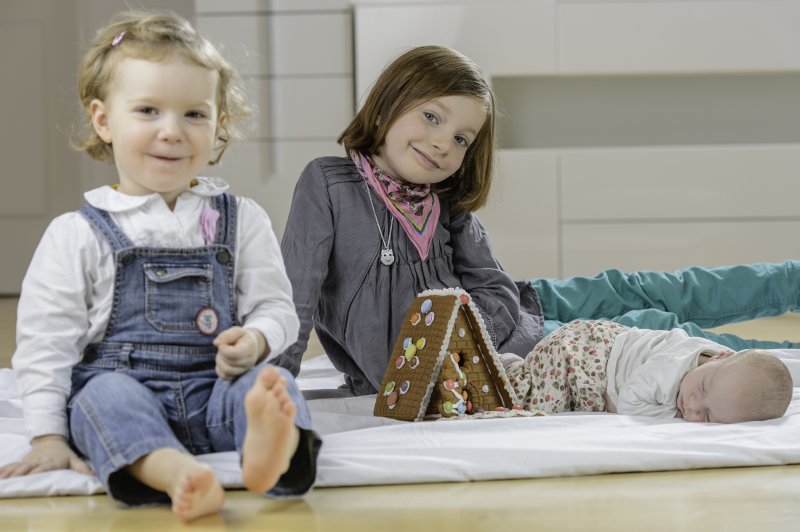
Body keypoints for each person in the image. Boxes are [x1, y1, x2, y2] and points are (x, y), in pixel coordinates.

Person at [276, 44, 800, 397]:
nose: (442, 143)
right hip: (518, 351)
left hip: (519, 308)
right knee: (658, 329)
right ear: (386, 106)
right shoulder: (328, 184)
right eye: (431, 116)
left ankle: (792, 279)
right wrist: (271, 384)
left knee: (651, 289)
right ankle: (776, 365)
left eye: (461, 138)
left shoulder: (444, 199)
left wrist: (481, 327)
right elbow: (294, 298)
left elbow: (491, 283)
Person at [0, 11, 320, 521]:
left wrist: (257, 340)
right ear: (103, 120)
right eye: (148, 110)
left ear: (219, 124)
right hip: (127, 392)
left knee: (268, 385)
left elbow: (278, 308)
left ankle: (270, 451)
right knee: (100, 399)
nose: (172, 131)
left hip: (217, 389)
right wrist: (47, 436)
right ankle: (174, 472)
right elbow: (46, 344)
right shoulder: (77, 233)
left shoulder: (242, 219)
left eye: (194, 114)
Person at [500, 320, 793, 422]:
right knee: (538, 401)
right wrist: (669, 417)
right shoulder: (670, 368)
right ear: (720, 355)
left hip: (607, 344)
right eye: (703, 388)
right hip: (584, 355)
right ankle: (510, 365)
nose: (693, 406)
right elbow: (629, 401)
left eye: (708, 416)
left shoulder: (721, 371)